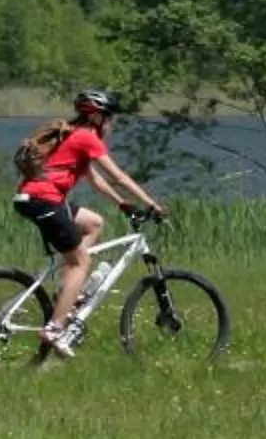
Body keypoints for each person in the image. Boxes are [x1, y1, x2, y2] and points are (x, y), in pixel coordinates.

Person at [14, 85, 167, 361]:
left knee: (94, 223)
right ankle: (55, 328)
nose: (112, 124)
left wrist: (122, 204)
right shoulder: (86, 137)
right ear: (96, 117)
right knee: (80, 262)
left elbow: (96, 181)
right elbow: (118, 176)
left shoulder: (72, 137)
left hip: (35, 198)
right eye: (109, 118)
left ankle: (67, 292)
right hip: (45, 200)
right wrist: (152, 203)